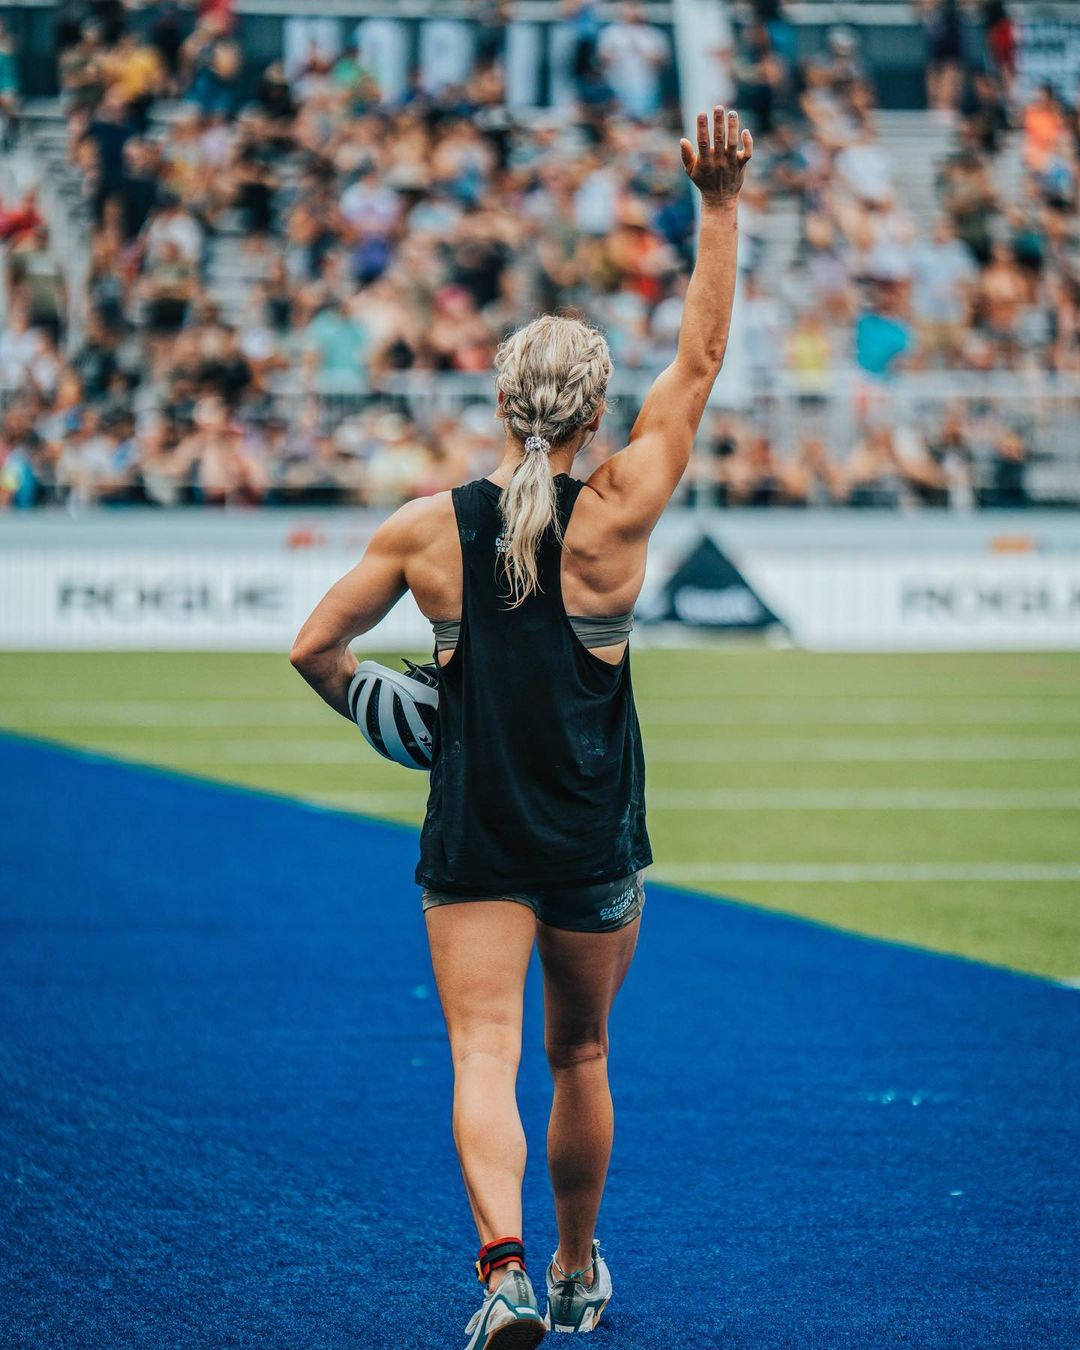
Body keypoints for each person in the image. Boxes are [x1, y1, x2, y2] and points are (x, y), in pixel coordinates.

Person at [290, 105, 751, 1348]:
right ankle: (575, 1269)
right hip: (593, 833)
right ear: (596, 415)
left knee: (482, 1054)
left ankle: (499, 1278)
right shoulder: (621, 509)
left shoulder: (426, 529)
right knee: (580, 1057)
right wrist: (718, 206)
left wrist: (399, 716)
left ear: (501, 403)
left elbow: (312, 650)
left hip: (476, 832)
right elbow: (701, 362)